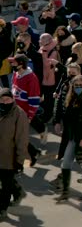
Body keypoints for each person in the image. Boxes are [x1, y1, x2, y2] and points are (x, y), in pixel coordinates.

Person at [55, 75, 82, 202]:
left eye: (81, 86)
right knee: (66, 163)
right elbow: (66, 116)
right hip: (73, 137)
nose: (78, 88)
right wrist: (60, 124)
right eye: (76, 86)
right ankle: (65, 192)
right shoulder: (71, 99)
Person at [0, 88, 29, 221]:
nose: (5, 102)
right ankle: (18, 192)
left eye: (7, 99)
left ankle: (3, 209)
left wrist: (19, 160)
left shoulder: (19, 114)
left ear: (12, 99)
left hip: (9, 158)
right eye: (2, 99)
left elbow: (22, 139)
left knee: (5, 185)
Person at [9, 54, 42, 165]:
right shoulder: (16, 74)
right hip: (13, 111)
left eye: (13, 62)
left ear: (21, 64)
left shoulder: (31, 78)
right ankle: (33, 152)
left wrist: (29, 116)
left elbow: (34, 99)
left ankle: (19, 163)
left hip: (23, 114)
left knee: (16, 137)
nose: (11, 64)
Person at [0, 20, 14, 88]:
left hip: (4, 57)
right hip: (2, 57)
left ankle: (7, 90)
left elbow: (9, 24)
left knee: (4, 76)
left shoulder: (5, 33)